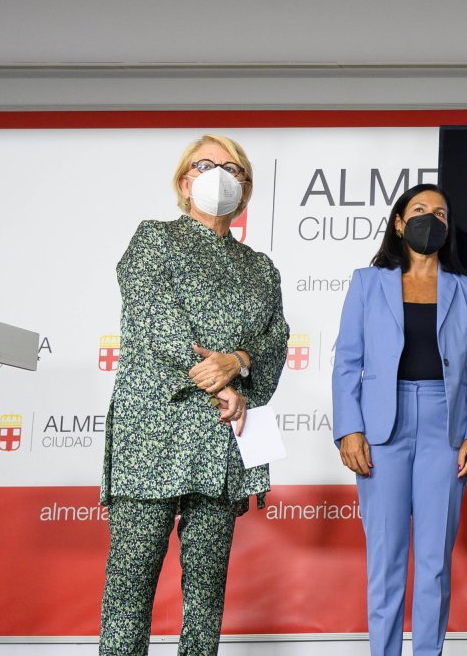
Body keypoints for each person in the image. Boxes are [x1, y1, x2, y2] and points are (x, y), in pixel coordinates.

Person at [99, 134, 289, 655]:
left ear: (245, 189)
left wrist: (242, 362)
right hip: (152, 434)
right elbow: (155, 315)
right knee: (129, 589)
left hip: (222, 439)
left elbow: (274, 341)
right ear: (185, 182)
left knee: (205, 598)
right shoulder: (153, 239)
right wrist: (220, 376)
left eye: (232, 168)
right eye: (206, 165)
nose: (219, 174)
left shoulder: (261, 269)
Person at [332, 183, 467, 656]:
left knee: (435, 563)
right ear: (399, 223)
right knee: (386, 560)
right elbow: (346, 362)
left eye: (440, 214)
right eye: (419, 210)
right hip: (382, 427)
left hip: (445, 426)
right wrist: (349, 428)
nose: (430, 219)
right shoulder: (367, 282)